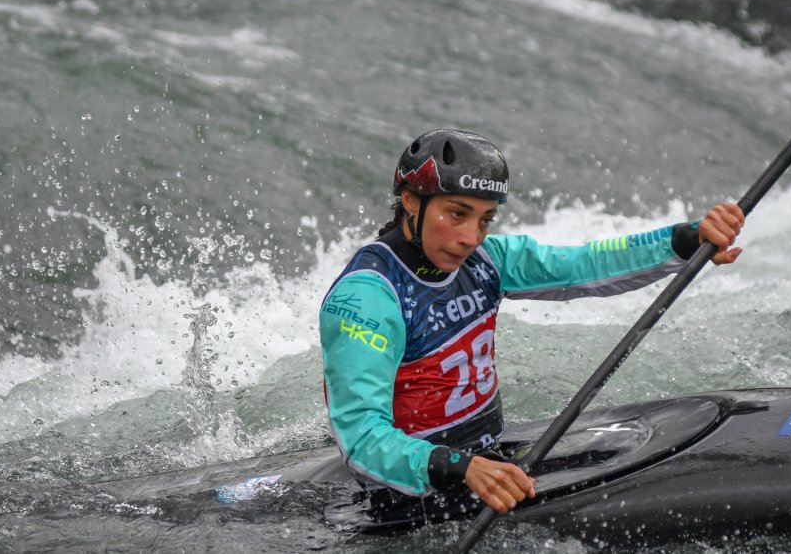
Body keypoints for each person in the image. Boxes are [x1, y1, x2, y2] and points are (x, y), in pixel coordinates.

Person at [319, 129, 745, 518]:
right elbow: (361, 440)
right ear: (411, 200)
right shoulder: (367, 299)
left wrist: (686, 240)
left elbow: (585, 265)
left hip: (484, 461)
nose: (471, 237)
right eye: (456, 214)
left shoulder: (487, 260)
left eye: (485, 220)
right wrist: (460, 467)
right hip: (406, 498)